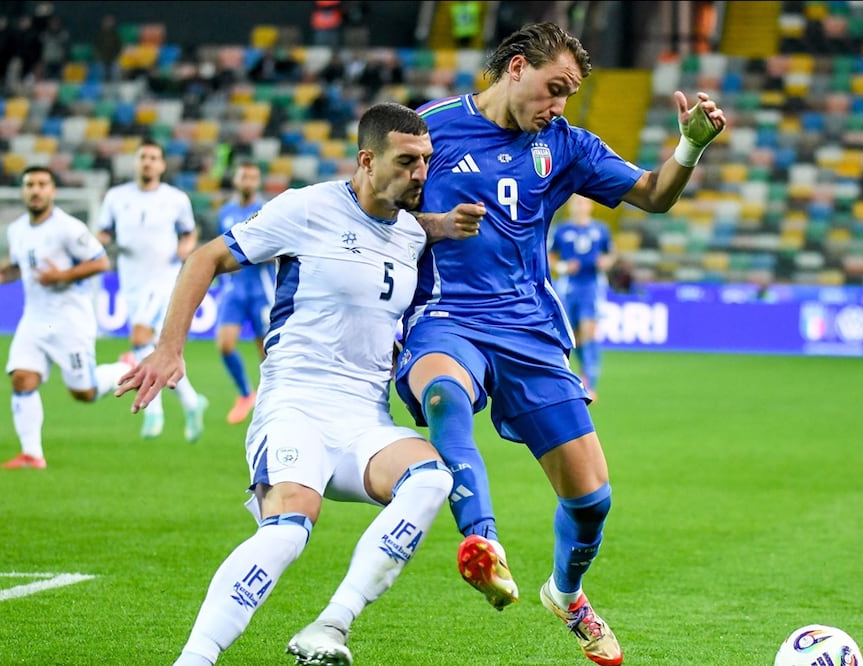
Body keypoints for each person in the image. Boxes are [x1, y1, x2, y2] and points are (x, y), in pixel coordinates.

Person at [395, 22, 726, 666]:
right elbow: (372, 206)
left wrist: (689, 148)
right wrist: (432, 227)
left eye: (570, 94)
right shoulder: (428, 132)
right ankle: (481, 543)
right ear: (516, 68)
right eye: (554, 89)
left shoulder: (566, 145)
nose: (559, 106)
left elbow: (654, 196)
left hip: (529, 329)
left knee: (592, 500)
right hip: (446, 316)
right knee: (444, 396)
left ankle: (567, 594)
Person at [115, 101, 480, 666]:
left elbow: (406, 228)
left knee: (431, 480)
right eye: (407, 161)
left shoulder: (410, 232)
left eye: (426, 161)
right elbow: (206, 258)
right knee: (288, 531)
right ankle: (195, 658)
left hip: (364, 419)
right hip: (295, 406)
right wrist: (169, 348)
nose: (421, 174)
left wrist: (444, 224)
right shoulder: (306, 209)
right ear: (366, 160)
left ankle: (331, 625)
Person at [0, 166, 133, 469]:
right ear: (23, 191)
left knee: (83, 392)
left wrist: (62, 275)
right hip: (35, 318)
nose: (35, 190)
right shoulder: (17, 229)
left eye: (41, 184)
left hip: (69, 320)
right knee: (22, 377)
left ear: (51, 191)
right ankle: (32, 455)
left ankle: (124, 368)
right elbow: (21, 267)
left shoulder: (69, 228)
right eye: (29, 185)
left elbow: (101, 261)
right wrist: (0, 275)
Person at [97, 139, 209, 442]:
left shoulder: (175, 199)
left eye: (153, 158)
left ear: (161, 165)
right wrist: (96, 244)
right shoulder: (116, 197)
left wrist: (185, 249)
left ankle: (153, 411)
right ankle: (191, 401)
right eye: (143, 157)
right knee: (157, 349)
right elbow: (104, 231)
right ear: (136, 162)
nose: (147, 162)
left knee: (139, 338)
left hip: (165, 279)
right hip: (131, 279)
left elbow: (188, 232)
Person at [213, 162, 271, 425]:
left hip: (261, 289)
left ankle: (272, 400)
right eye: (243, 175)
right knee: (225, 344)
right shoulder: (226, 212)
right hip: (235, 289)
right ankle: (246, 394)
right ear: (236, 180)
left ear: (257, 181)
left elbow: (276, 249)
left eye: (252, 176)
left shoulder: (267, 211)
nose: (247, 180)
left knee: (267, 353)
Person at [548, 194, 613, 399]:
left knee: (589, 333)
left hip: (591, 287)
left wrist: (605, 262)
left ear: (590, 206)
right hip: (568, 287)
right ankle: (574, 377)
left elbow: (610, 254)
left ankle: (590, 383)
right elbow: (548, 256)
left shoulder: (600, 229)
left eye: (583, 202)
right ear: (570, 206)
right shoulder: (562, 230)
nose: (580, 206)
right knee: (572, 336)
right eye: (576, 202)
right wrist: (563, 266)